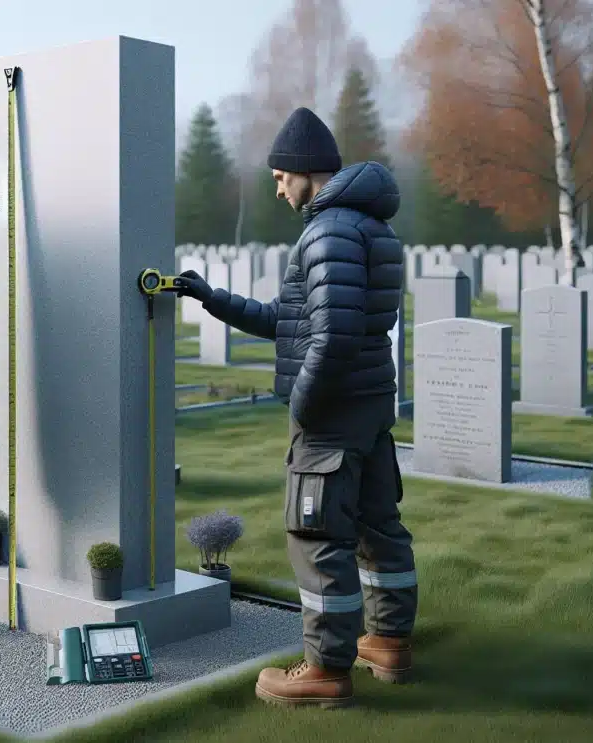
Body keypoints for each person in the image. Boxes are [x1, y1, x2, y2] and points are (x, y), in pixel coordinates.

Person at [172, 107, 418, 707]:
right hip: (367, 406)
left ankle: (325, 670)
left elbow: (330, 336)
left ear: (304, 171)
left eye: (280, 175)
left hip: (331, 413)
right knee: (376, 525)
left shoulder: (329, 230)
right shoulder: (364, 225)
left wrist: (304, 404)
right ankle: (387, 640)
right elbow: (295, 322)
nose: (277, 186)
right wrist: (213, 299)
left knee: (316, 536)